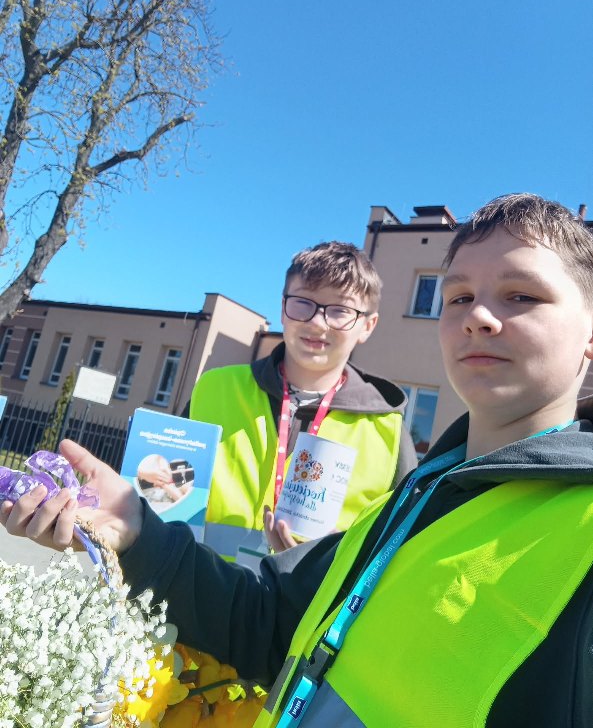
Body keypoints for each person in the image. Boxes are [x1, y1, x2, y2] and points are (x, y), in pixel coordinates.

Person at [5, 192, 593, 727]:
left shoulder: (401, 438)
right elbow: (270, 620)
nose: (478, 316)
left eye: (523, 295)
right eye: (459, 296)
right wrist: (139, 527)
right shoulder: (421, 497)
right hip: (191, 629)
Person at [188, 240, 417, 560]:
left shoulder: (387, 431)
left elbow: (397, 547)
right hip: (201, 584)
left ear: (367, 326)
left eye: (340, 310)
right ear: (283, 308)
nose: (317, 322)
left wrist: (337, 558)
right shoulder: (214, 388)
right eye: (303, 302)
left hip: (313, 594)